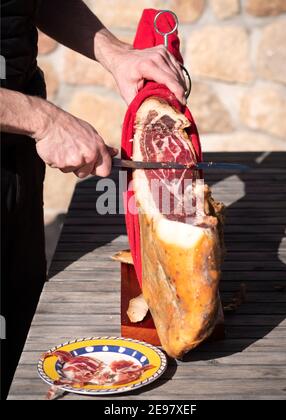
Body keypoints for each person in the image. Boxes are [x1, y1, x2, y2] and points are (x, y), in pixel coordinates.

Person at [0, 0, 186, 398]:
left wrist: (114, 52)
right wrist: (43, 120)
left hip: (14, 153)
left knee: (19, 325)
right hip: (23, 122)